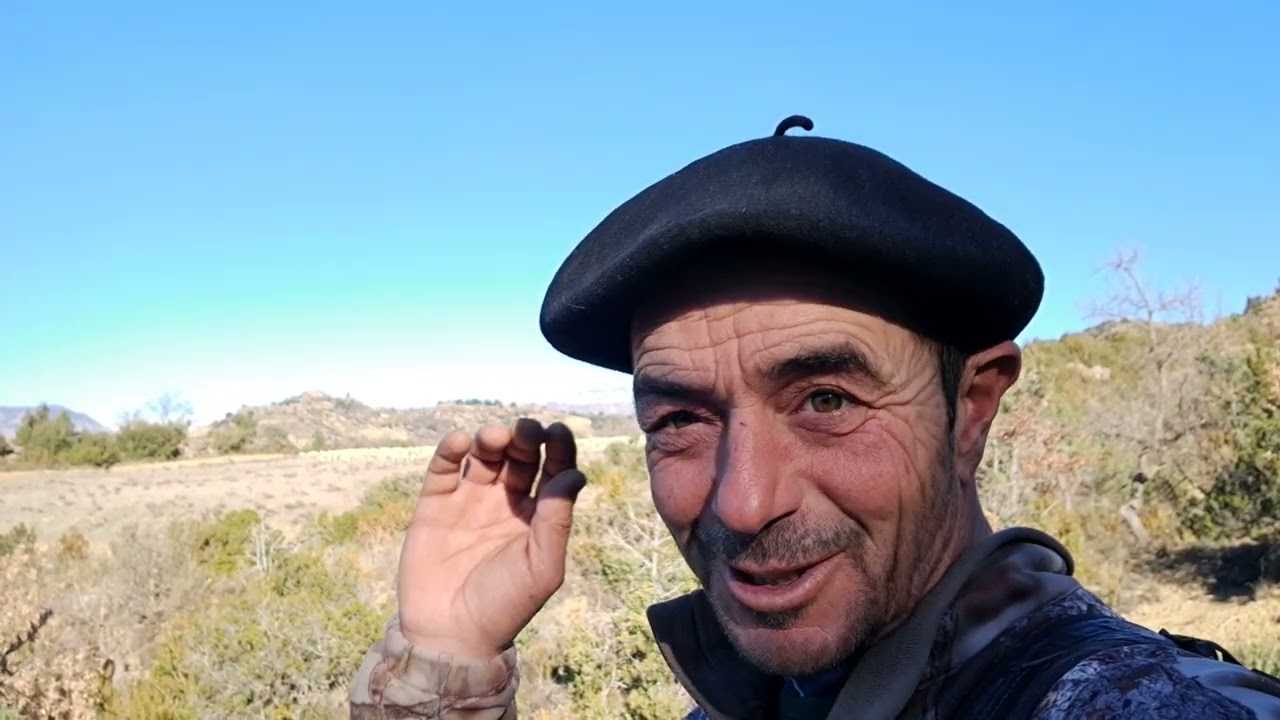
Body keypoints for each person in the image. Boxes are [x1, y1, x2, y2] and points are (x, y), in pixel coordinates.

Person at [348, 116, 1280, 719]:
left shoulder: (1120, 703)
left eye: (827, 400)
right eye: (679, 418)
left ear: (973, 411)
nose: (743, 503)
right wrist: (445, 657)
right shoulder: (757, 693)